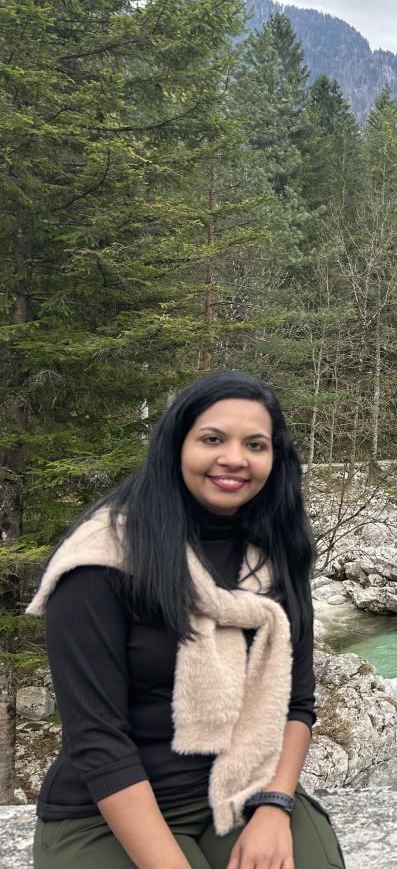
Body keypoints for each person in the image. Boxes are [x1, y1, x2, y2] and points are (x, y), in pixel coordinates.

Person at [26, 370, 345, 869]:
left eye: (255, 444)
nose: (234, 459)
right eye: (212, 439)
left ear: (273, 459)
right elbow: (97, 741)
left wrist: (276, 806)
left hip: (243, 786)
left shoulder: (277, 554)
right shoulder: (101, 561)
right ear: (176, 445)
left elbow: (297, 704)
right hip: (106, 810)